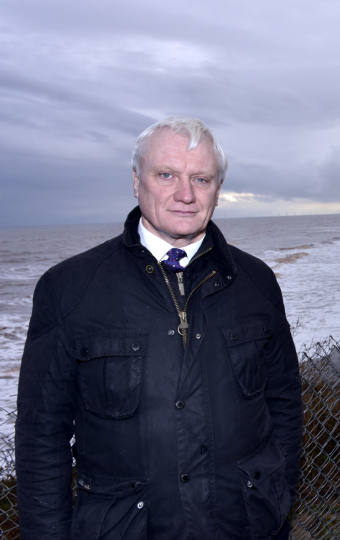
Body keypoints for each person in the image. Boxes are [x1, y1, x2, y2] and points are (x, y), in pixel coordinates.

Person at [15, 117, 303, 540]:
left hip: (250, 525)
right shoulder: (69, 289)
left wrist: (276, 496)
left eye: (201, 179)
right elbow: (42, 436)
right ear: (136, 181)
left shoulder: (256, 282)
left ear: (218, 190)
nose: (185, 194)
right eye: (166, 175)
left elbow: (284, 401)